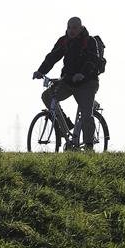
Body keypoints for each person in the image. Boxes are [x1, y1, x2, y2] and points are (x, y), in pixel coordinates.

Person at [33, 17, 101, 150]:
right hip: (68, 81)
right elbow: (52, 57)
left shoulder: (89, 41)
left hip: (87, 82)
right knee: (47, 96)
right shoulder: (64, 41)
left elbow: (93, 61)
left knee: (86, 114)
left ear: (81, 28)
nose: (71, 31)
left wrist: (82, 74)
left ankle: (88, 146)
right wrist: (40, 71)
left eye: (74, 28)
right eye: (69, 27)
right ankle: (65, 126)